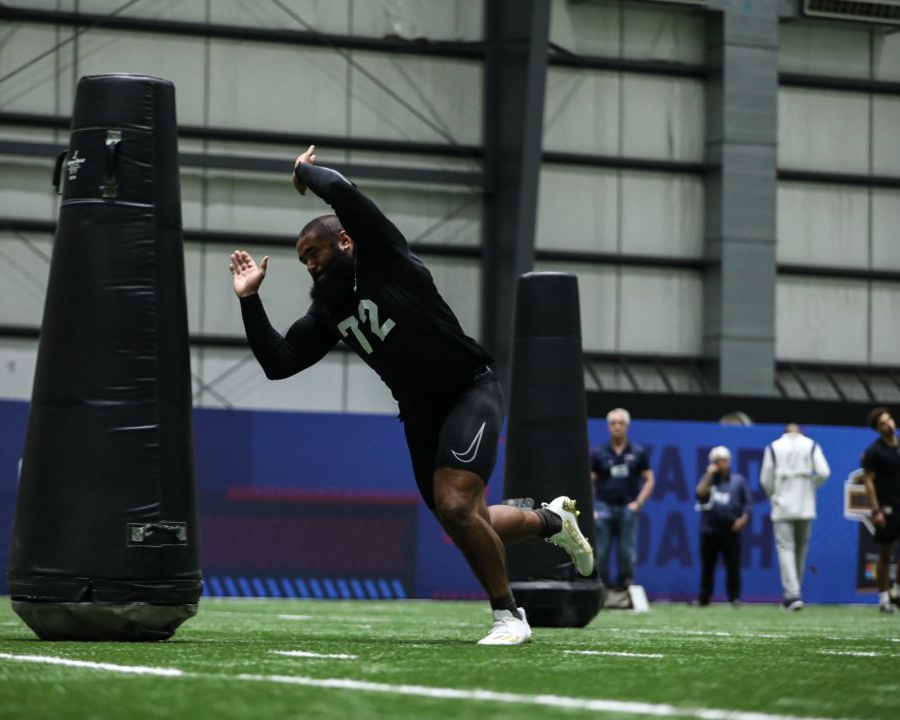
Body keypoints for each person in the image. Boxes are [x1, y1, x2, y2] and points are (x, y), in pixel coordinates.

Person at [227, 145, 594, 645]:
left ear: (345, 241)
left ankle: (510, 617)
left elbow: (342, 192)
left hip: (469, 389)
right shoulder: (330, 314)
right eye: (303, 261)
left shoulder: (384, 257)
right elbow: (279, 362)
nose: (310, 267)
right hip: (420, 415)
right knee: (466, 518)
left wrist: (303, 171)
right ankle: (552, 519)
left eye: (315, 253)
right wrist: (250, 300)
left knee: (457, 505)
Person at [759, 423, 831, 611]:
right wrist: (810, 485)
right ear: (800, 432)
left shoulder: (773, 447)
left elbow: (765, 479)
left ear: (784, 432)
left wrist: (773, 495)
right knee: (800, 549)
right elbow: (824, 472)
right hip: (805, 504)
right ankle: (794, 593)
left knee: (786, 548)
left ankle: (792, 594)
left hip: (782, 505)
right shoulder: (811, 445)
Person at [589, 408, 655, 606]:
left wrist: (639, 503)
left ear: (627, 426)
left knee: (627, 552)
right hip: (604, 508)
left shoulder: (637, 452)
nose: (617, 426)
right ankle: (603, 589)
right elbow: (589, 481)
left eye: (621, 423)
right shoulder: (600, 453)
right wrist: (593, 507)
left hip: (627, 508)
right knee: (601, 551)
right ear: (609, 426)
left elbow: (650, 479)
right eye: (613, 423)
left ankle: (625, 587)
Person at [860, 407, 900, 614]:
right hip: (885, 507)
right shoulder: (874, 452)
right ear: (878, 429)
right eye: (883, 423)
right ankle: (884, 599)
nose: (889, 424)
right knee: (885, 555)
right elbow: (868, 481)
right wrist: (875, 510)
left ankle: (898, 592)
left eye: (890, 420)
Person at [695, 446, 750, 606]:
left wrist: (743, 519)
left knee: (733, 564)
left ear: (729, 462)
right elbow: (699, 494)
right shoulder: (708, 479)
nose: (721, 464)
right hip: (710, 529)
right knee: (708, 565)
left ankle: (734, 596)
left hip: (731, 529)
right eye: (717, 461)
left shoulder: (738, 480)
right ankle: (705, 597)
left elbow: (747, 503)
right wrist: (708, 475)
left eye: (724, 461)